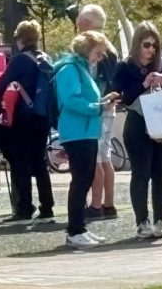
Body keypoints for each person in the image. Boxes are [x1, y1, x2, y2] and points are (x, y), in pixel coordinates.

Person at [113, 21, 162, 239]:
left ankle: (159, 221)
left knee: (161, 175)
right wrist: (144, 84)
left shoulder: (161, 63)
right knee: (141, 173)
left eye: (155, 45)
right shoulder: (125, 66)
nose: (151, 50)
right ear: (137, 43)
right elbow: (122, 96)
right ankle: (142, 222)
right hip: (138, 125)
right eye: (146, 45)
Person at [0, 20, 55, 224]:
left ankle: (24, 208)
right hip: (42, 117)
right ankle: (47, 207)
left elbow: (2, 85)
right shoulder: (45, 58)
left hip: (23, 118)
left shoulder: (19, 60)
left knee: (20, 163)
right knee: (39, 163)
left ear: (20, 39)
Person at [56, 30, 118, 249]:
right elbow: (71, 100)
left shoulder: (79, 68)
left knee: (84, 179)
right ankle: (75, 230)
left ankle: (79, 228)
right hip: (77, 132)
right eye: (98, 53)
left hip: (86, 130)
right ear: (87, 49)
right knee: (81, 180)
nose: (99, 58)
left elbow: (81, 99)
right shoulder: (70, 68)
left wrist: (102, 103)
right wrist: (98, 107)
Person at [74, 5, 121, 222]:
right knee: (105, 156)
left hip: (98, 108)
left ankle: (95, 205)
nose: (77, 25)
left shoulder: (95, 49)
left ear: (86, 23)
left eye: (80, 21)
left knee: (96, 158)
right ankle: (108, 203)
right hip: (109, 106)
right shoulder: (110, 49)